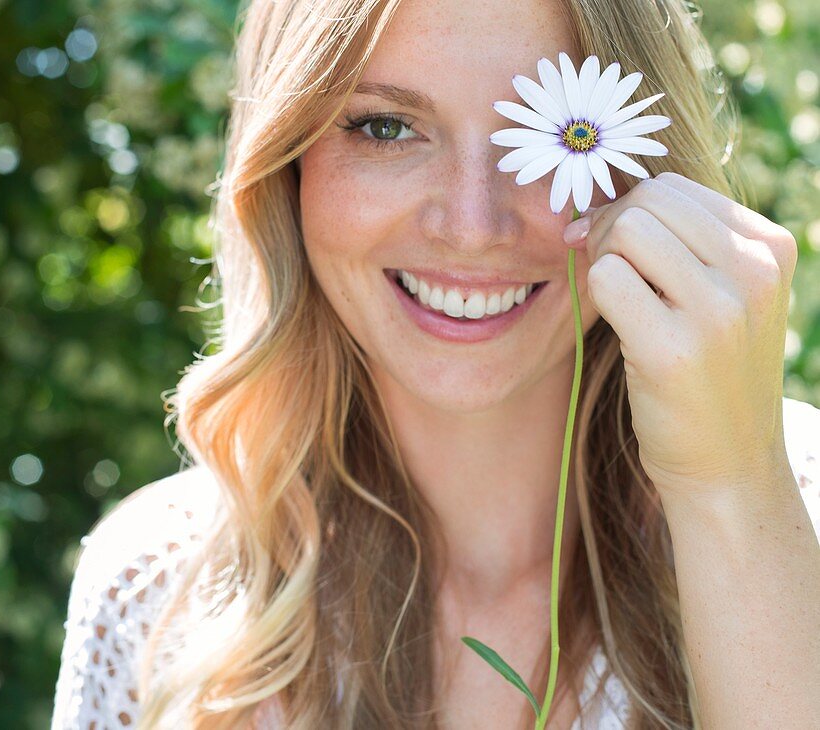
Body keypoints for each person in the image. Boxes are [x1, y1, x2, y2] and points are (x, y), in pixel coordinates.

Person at [51, 0, 820, 727]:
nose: (471, 226)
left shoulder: (800, 505)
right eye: (386, 127)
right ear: (286, 165)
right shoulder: (159, 592)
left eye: (545, 131)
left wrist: (729, 492)